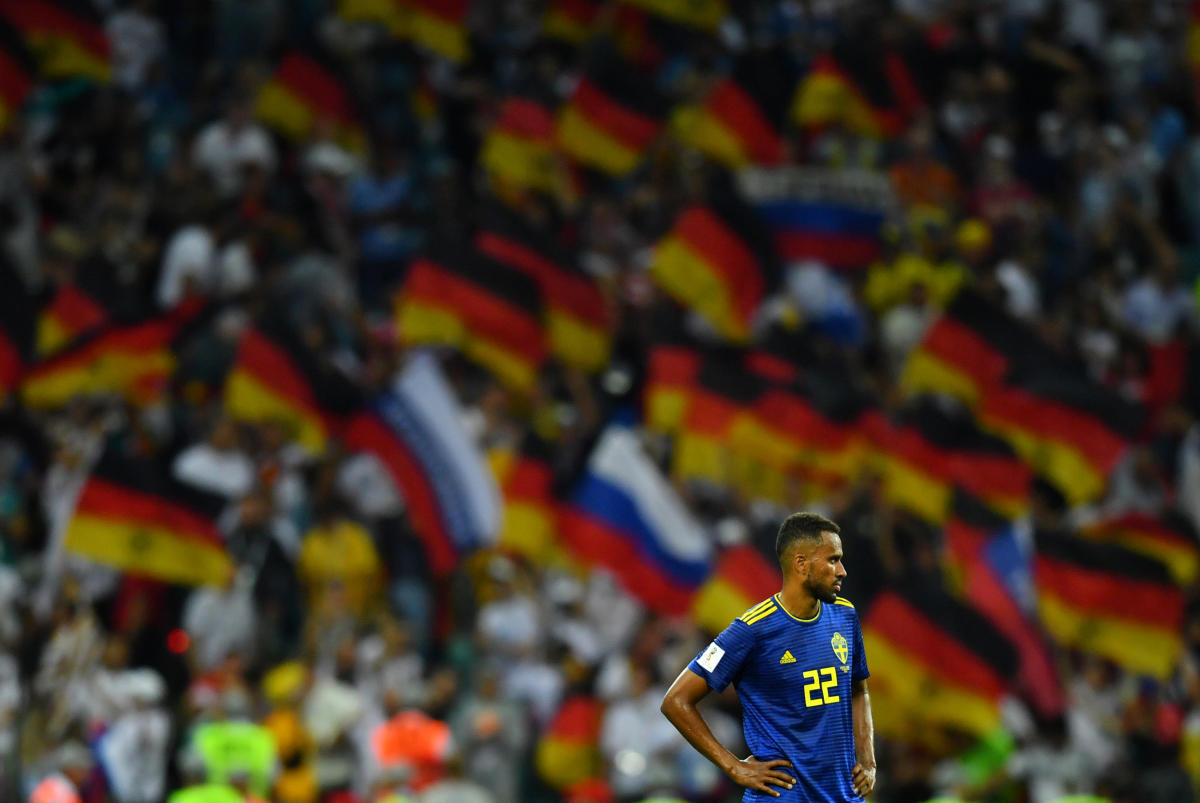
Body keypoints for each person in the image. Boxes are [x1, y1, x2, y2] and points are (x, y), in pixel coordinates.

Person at [660, 513, 876, 801]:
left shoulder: (845, 615)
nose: (842, 571)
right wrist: (733, 766)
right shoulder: (751, 630)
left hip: (843, 795)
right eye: (833, 560)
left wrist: (868, 760)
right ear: (801, 564)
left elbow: (858, 690)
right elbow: (676, 700)